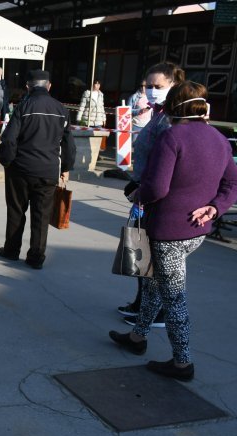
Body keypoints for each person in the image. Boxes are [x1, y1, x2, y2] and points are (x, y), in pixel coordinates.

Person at [108, 82, 237, 381]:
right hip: (197, 229)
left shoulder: (172, 136)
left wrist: (138, 194)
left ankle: (182, 363)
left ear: (172, 107)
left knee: (174, 297)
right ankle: (138, 337)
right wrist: (216, 207)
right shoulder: (220, 139)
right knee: (156, 284)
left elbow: (157, 187)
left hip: (168, 230)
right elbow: (232, 184)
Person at [118, 62, 186, 327]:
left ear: (174, 86)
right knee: (138, 250)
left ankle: (153, 310)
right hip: (141, 190)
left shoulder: (170, 119)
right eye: (149, 86)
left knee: (148, 254)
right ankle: (141, 302)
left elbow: (164, 163)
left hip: (152, 194)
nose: (152, 90)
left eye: (159, 86)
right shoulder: (158, 113)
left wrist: (142, 188)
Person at [0, 69, 76, 269]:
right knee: (41, 216)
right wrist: (66, 167)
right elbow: (68, 144)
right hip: (49, 171)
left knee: (16, 211)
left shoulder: (23, 107)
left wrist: (7, 161)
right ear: (49, 86)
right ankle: (36, 257)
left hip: (20, 169)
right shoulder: (61, 109)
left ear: (28, 87)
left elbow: (8, 139)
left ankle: (11, 250)